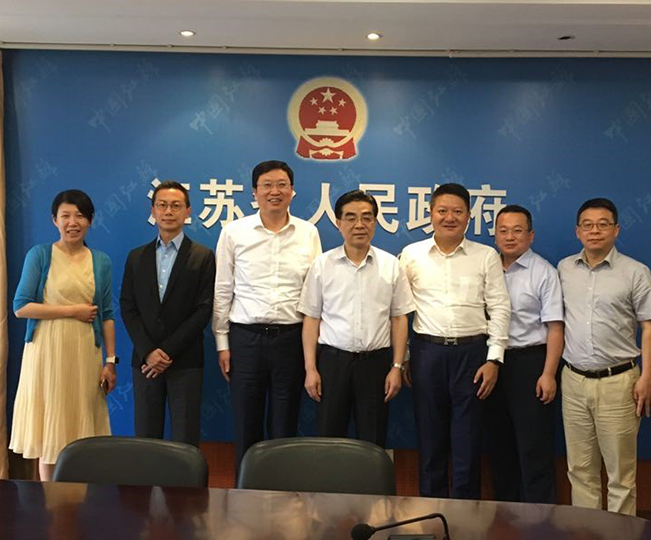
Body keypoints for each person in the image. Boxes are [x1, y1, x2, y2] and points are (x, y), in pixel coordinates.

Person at [399, 183, 510, 499]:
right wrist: (403, 358)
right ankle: (431, 512)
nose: (450, 217)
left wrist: (494, 359)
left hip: (472, 355)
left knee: (468, 443)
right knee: (429, 441)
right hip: (427, 354)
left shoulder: (486, 256)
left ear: (469, 216)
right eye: (443, 211)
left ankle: (465, 517)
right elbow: (399, 310)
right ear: (430, 213)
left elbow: (500, 307)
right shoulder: (411, 254)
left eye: (457, 211)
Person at [212, 160, 322, 473]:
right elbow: (223, 289)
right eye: (267, 185)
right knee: (246, 422)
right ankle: (245, 491)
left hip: (291, 339)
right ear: (254, 192)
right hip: (245, 339)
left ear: (292, 190)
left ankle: (281, 491)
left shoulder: (308, 233)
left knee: (285, 424)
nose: (275, 191)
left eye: (282, 184)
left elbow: (315, 293)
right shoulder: (234, 232)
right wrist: (222, 343)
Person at [558, 197, 651, 515]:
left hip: (619, 383)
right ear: (577, 231)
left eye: (603, 224)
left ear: (616, 230)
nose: (595, 231)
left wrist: (647, 377)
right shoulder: (564, 269)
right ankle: (586, 532)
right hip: (573, 380)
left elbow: (650, 327)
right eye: (587, 225)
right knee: (580, 470)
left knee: (620, 476)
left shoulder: (635, 272)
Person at [10, 189, 117, 481]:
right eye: (65, 216)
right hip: (47, 352)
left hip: (85, 354)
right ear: (54, 220)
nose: (72, 222)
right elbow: (21, 307)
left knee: (81, 428)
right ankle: (50, 498)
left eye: (80, 216)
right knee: (50, 432)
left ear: (90, 221)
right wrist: (72, 311)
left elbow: (107, 314)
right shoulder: (40, 255)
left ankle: (79, 501)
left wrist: (110, 361)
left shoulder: (101, 261)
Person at [299, 190, 414, 447]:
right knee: (329, 439)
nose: (359, 225)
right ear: (338, 223)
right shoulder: (322, 265)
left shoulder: (391, 265)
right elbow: (311, 319)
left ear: (375, 222)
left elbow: (399, 318)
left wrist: (397, 367)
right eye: (350, 218)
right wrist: (310, 369)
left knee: (373, 440)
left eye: (367, 217)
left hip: (375, 364)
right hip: (332, 363)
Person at [120, 181, 215, 447]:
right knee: (146, 438)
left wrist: (167, 351)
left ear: (188, 211)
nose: (168, 211)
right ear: (153, 211)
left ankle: (186, 480)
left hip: (185, 361)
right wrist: (149, 351)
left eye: (176, 205)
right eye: (162, 205)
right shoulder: (136, 257)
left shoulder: (202, 256)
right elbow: (128, 306)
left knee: (185, 439)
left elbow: (204, 309)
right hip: (145, 361)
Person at [487, 204, 563, 503]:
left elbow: (555, 328)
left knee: (534, 447)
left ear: (530, 236)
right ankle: (506, 516)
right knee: (499, 444)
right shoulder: (487, 267)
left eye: (517, 231)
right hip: (493, 363)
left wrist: (548, 373)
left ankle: (540, 519)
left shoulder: (544, 272)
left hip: (531, 363)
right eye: (503, 231)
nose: (510, 237)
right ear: (495, 236)